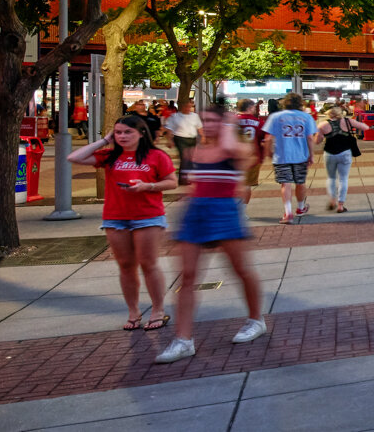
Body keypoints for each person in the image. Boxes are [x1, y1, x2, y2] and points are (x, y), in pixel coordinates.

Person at [153, 100, 266, 364]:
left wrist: (228, 124)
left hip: (225, 211)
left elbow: (239, 154)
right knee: (187, 277)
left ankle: (256, 319)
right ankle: (183, 340)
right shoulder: (196, 150)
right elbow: (194, 183)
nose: (209, 126)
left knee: (240, 270)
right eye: (206, 121)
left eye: (214, 120)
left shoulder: (234, 147)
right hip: (196, 212)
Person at [69, 116, 176, 331]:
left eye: (128, 132)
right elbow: (74, 157)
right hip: (115, 217)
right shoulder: (110, 155)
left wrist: (147, 186)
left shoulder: (157, 156)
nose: (122, 136)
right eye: (118, 132)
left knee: (148, 263)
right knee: (126, 266)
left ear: (141, 133)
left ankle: (158, 310)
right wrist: (104, 140)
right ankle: (133, 312)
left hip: (148, 216)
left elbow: (172, 182)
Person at [263, 93, 318, 225]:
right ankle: (300, 208)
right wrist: (311, 154)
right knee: (300, 182)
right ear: (300, 103)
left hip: (281, 156)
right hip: (300, 155)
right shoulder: (306, 117)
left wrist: (268, 152)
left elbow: (268, 138)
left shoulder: (275, 117)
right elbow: (310, 138)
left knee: (285, 183)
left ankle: (288, 213)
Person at [320, 103, 361, 213]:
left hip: (329, 153)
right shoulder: (347, 121)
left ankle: (332, 201)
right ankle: (340, 205)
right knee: (343, 179)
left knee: (331, 178)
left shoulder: (323, 124)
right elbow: (365, 127)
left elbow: (316, 140)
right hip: (345, 152)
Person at [163, 99, 201, 184]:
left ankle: (186, 174)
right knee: (184, 158)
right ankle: (182, 179)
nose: (188, 108)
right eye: (186, 106)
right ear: (182, 107)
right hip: (180, 139)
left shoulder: (195, 116)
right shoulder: (175, 116)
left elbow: (199, 127)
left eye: (189, 106)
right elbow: (169, 129)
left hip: (192, 139)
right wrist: (169, 140)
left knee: (190, 158)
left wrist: (204, 137)